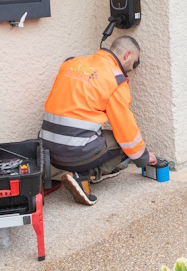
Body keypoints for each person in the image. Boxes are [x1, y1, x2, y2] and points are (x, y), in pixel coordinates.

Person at [40, 35, 157, 205]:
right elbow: (126, 130)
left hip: (47, 148)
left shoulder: (71, 63)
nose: (132, 69)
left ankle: (61, 171)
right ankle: (84, 175)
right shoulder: (115, 79)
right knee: (123, 142)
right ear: (127, 55)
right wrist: (143, 157)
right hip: (75, 152)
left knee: (97, 137)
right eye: (134, 63)